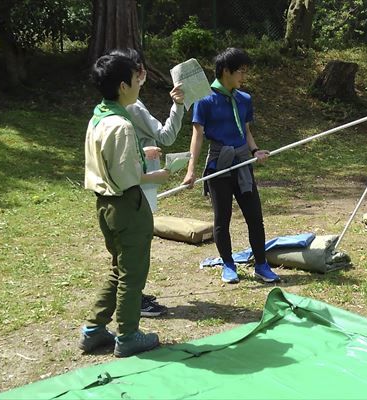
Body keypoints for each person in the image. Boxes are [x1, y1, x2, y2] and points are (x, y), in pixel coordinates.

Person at [80, 54, 170, 357]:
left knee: (119, 270)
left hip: (104, 206)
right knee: (132, 276)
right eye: (136, 78)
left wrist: (140, 152)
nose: (139, 82)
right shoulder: (122, 125)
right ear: (122, 85)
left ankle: (93, 330)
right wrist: (154, 172)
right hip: (127, 206)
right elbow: (128, 176)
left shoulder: (99, 116)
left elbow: (109, 159)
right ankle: (128, 335)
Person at [182, 47, 280, 284]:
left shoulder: (244, 99)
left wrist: (255, 150)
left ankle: (261, 264)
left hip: (243, 162)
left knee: (255, 216)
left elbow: (245, 131)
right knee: (221, 218)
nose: (243, 77)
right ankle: (228, 264)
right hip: (220, 165)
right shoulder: (204, 100)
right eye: (240, 72)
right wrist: (191, 169)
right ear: (226, 71)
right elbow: (197, 136)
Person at [109, 48, 185, 318]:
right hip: (136, 183)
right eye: (136, 69)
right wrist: (179, 104)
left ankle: (133, 295)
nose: (142, 74)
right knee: (136, 243)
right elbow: (165, 136)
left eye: (140, 67)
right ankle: (134, 301)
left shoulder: (115, 107)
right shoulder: (131, 105)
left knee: (132, 243)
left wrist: (142, 152)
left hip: (134, 180)